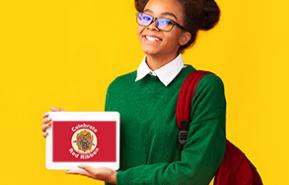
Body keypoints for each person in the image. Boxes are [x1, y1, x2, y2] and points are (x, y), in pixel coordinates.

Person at [42, 0, 226, 184]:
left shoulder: (205, 87)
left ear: (184, 37)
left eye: (166, 22)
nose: (152, 27)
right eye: (146, 17)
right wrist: (68, 128)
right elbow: (108, 158)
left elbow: (194, 173)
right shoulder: (119, 88)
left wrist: (119, 178)